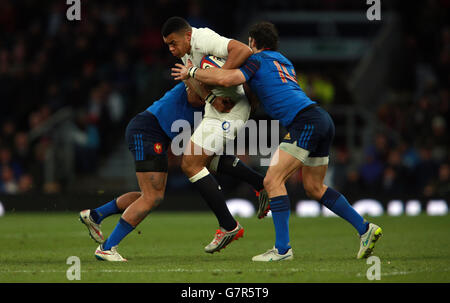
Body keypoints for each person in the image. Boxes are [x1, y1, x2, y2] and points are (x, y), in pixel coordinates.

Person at [172, 21, 383, 261]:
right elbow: (262, 92)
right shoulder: (284, 60)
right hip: (321, 118)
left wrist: (192, 72)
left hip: (304, 123)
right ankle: (365, 229)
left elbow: (229, 80)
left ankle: (283, 249)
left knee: (272, 180)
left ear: (252, 42)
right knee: (314, 188)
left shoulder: (256, 60)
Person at [161, 16, 267, 253]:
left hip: (234, 108)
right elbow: (193, 95)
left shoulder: (203, 38)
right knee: (205, 160)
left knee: (190, 163)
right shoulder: (185, 56)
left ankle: (228, 225)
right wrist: (209, 95)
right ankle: (261, 184)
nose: (171, 49)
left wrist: (219, 75)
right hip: (216, 108)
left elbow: (241, 50)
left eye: (173, 43)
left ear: (187, 36)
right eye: (167, 45)